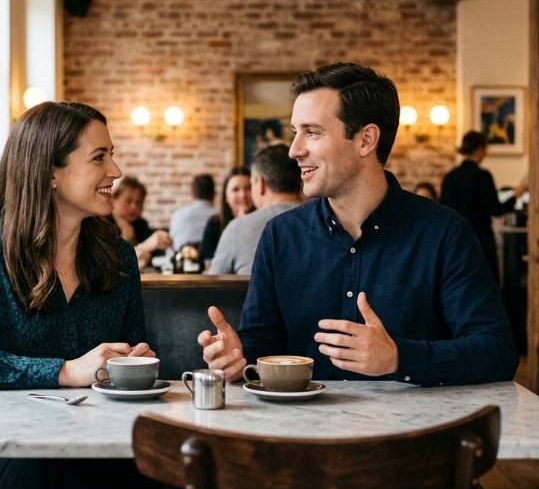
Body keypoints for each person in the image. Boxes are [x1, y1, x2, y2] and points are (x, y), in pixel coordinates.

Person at [197, 62, 519, 390]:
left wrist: (399, 358)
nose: (294, 150)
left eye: (312, 132)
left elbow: (498, 351)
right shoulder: (280, 235)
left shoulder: (445, 233)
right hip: (301, 420)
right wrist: (237, 356)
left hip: (410, 422)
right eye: (295, 132)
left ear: (366, 140)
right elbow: (262, 342)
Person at [0, 101, 175, 489]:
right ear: (50, 173)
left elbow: (133, 351)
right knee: (136, 484)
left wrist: (136, 363)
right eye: (99, 157)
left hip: (95, 446)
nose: (115, 171)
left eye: (112, 155)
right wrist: (63, 371)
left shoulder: (118, 257)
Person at [439, 130, 526, 285]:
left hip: (454, 241)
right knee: (484, 284)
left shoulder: (450, 178)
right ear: (479, 149)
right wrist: (516, 196)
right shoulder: (483, 176)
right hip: (480, 239)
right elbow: (496, 210)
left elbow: (443, 210)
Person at [207, 144, 302, 275]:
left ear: (260, 183)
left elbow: (213, 282)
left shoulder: (237, 228)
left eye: (250, 185)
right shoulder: (324, 221)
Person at [111, 175, 172, 269]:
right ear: (113, 200)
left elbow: (157, 256)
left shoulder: (140, 224)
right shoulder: (100, 224)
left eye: (138, 202)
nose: (134, 207)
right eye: (128, 201)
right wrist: (146, 245)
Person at [200, 166, 253, 270]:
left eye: (248, 188)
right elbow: (207, 263)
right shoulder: (215, 223)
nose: (242, 195)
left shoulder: (265, 223)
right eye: (235, 190)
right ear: (226, 196)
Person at [167, 173, 217, 250]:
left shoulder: (178, 216)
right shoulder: (221, 216)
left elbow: (171, 246)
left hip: (182, 256)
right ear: (214, 194)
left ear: (192, 194)